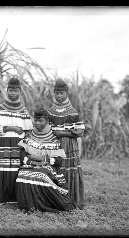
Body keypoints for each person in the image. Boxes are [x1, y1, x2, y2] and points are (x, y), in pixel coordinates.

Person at [15, 108, 76, 212]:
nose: (37, 123)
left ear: (47, 121)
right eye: (36, 120)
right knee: (22, 173)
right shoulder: (29, 135)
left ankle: (42, 205)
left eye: (41, 121)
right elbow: (22, 154)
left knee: (41, 175)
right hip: (32, 164)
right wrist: (32, 162)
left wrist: (42, 159)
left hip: (49, 167)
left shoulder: (53, 138)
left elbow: (58, 161)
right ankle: (29, 205)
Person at [0, 77, 33, 204]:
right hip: (4, 142)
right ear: (7, 91)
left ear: (20, 91)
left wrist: (26, 145)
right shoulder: (1, 108)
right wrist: (11, 127)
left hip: (17, 144)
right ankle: (0, 196)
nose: (13, 93)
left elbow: (29, 131)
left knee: (16, 167)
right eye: (11, 90)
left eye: (16, 90)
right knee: (2, 166)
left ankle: (15, 197)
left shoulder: (23, 110)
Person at [46, 79, 86, 209]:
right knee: (56, 168)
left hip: (69, 145)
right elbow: (47, 129)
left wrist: (62, 133)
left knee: (69, 168)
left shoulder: (72, 112)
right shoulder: (50, 112)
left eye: (61, 93)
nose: (59, 96)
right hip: (55, 145)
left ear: (66, 93)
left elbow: (78, 132)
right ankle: (57, 200)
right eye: (56, 93)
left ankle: (73, 199)